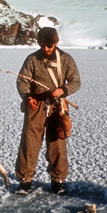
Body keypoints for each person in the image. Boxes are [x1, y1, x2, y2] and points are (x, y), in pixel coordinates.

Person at [15, 27, 81, 195]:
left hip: (57, 108)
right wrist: (27, 97)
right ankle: (25, 180)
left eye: (49, 45)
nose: (46, 49)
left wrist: (63, 91)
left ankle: (57, 180)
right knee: (30, 143)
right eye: (43, 45)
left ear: (56, 42)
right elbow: (22, 81)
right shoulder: (32, 59)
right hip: (35, 105)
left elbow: (76, 81)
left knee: (57, 143)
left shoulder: (66, 59)